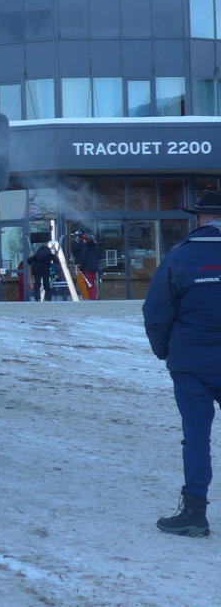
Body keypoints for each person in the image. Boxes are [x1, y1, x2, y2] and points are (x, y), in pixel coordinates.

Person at [142, 189, 221, 537]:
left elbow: (156, 313)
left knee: (197, 436)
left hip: (192, 361)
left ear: (200, 218)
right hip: (194, 358)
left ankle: (194, 512)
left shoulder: (180, 256)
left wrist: (166, 352)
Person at [71, 230, 101, 301]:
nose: (76, 238)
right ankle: (90, 297)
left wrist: (81, 267)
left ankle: (88, 297)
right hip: (92, 267)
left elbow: (77, 252)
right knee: (91, 283)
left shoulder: (84, 246)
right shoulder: (95, 247)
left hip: (83, 266)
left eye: (77, 237)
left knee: (85, 283)